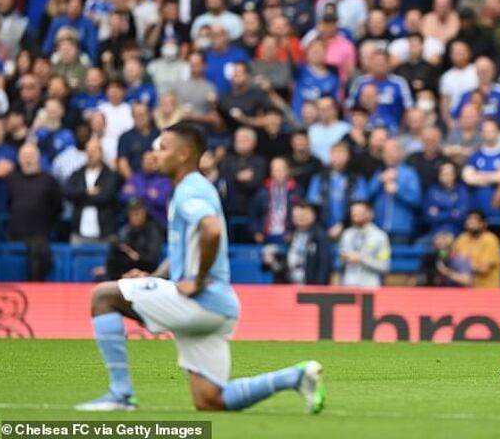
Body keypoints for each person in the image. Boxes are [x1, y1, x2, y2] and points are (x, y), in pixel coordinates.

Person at [75, 121, 325, 413]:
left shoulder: (189, 190)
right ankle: (295, 376)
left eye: (163, 148)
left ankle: (121, 394)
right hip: (219, 308)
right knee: (210, 400)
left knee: (103, 297)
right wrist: (155, 277)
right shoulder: (194, 188)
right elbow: (185, 249)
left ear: (183, 154)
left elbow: (211, 229)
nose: (156, 154)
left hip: (199, 302)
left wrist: (199, 279)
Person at [7, 142, 61, 281]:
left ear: (38, 158)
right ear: (19, 160)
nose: (28, 160)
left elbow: (57, 207)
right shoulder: (12, 179)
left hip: (40, 234)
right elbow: (8, 203)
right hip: (15, 234)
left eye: (31, 156)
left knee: (38, 255)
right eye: (24, 156)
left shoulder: (49, 180)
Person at [64, 139, 121, 245]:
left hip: (105, 233)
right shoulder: (77, 174)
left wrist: (80, 199)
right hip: (79, 233)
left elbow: (105, 197)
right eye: (88, 151)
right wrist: (86, 192)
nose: (90, 154)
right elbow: (68, 192)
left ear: (101, 153)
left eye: (94, 151)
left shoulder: (110, 175)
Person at [261, 201, 331, 285]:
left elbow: (324, 265)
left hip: (310, 286)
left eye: (303, 215)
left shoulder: (320, 235)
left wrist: (318, 288)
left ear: (313, 215)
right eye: (297, 216)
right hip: (289, 285)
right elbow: (282, 266)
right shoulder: (290, 236)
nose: (300, 218)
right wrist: (273, 262)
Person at [95, 197, 164, 282]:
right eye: (132, 213)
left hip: (146, 274)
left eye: (137, 213)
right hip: (125, 274)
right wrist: (115, 272)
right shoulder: (125, 231)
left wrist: (135, 255)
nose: (134, 217)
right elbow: (117, 255)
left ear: (144, 213)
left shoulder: (153, 230)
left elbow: (152, 258)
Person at [338, 200, 391, 288]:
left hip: (370, 286)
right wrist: (343, 258)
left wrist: (363, 259)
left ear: (370, 213)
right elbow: (341, 260)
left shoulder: (380, 237)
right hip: (348, 285)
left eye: (359, 211)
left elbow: (384, 266)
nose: (355, 214)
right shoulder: (347, 235)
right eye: (353, 212)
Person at [445, 210, 500, 288]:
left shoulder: (490, 240)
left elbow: (484, 269)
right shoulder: (462, 239)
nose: (471, 223)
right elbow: (452, 258)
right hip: (465, 290)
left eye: (475, 220)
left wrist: (463, 266)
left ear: (483, 224)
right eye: (469, 220)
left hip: (487, 290)